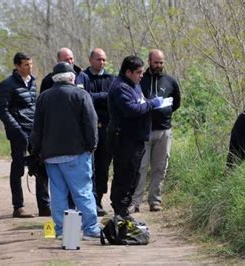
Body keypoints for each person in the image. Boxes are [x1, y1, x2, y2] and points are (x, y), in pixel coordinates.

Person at [30, 62, 101, 239]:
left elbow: (37, 129)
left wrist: (36, 151)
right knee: (82, 192)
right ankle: (90, 228)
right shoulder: (81, 94)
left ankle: (62, 231)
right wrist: (91, 146)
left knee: (58, 194)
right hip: (76, 153)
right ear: (72, 78)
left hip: (51, 156)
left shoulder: (43, 97)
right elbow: (91, 123)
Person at [107, 55, 164, 219]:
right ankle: (120, 211)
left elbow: (141, 102)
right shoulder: (120, 87)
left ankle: (124, 211)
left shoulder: (134, 85)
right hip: (124, 140)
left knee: (133, 175)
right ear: (128, 72)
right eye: (138, 72)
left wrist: (149, 102)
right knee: (124, 175)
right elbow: (131, 109)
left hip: (136, 139)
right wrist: (153, 104)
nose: (141, 75)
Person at [0, 52, 50, 218]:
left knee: (41, 166)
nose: (30, 67)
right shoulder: (7, 84)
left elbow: (34, 107)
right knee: (18, 167)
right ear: (17, 66)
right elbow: (2, 110)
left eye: (31, 64)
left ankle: (44, 206)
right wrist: (16, 130)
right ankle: (18, 206)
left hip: (34, 130)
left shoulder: (33, 82)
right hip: (18, 132)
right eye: (26, 64)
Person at [129, 49, 181, 213]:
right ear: (149, 61)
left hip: (164, 131)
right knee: (141, 167)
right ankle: (135, 201)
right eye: (156, 62)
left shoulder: (170, 81)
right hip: (143, 130)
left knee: (160, 167)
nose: (159, 65)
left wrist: (163, 113)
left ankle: (155, 201)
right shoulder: (140, 80)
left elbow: (176, 103)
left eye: (161, 62)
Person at [76, 48, 115, 216]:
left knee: (103, 167)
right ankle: (88, 202)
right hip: (88, 129)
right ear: (90, 60)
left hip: (106, 128)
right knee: (88, 168)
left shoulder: (111, 78)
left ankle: (98, 200)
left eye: (104, 60)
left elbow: (113, 97)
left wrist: (95, 96)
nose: (102, 62)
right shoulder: (82, 77)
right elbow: (82, 97)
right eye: (99, 59)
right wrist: (104, 96)